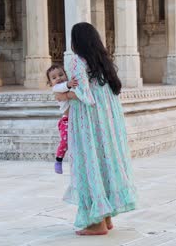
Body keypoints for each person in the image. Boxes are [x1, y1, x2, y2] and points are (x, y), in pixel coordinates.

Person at [56, 22, 136, 235]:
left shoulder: (76, 62)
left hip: (88, 122)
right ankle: (106, 217)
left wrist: (63, 95)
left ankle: (97, 224)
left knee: (90, 162)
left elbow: (85, 95)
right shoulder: (103, 62)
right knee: (104, 161)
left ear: (76, 41)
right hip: (108, 123)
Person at [46, 64, 78, 174]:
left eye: (61, 75)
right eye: (54, 78)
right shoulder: (56, 88)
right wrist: (69, 85)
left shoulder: (68, 86)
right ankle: (58, 160)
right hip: (66, 121)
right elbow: (62, 87)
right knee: (65, 142)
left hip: (75, 120)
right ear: (50, 83)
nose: (58, 78)